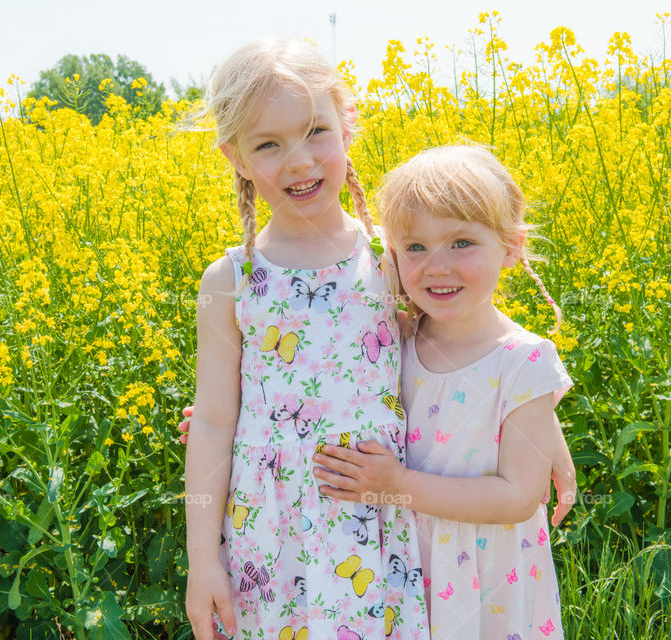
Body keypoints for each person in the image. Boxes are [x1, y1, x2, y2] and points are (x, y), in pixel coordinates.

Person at [182, 39, 429, 640]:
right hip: (270, 528)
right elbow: (214, 422)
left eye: (316, 130)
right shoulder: (230, 281)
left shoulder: (395, 259)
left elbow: (461, 358)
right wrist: (201, 560)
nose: (299, 161)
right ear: (235, 157)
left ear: (349, 126)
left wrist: (537, 417)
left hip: (377, 512)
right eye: (268, 144)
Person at [310, 145, 574, 639]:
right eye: (414, 248)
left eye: (461, 243)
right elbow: (328, 385)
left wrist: (396, 484)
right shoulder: (395, 337)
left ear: (512, 247)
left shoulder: (527, 360)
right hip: (405, 560)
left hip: (488, 578)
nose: (436, 266)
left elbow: (518, 497)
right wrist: (249, 418)